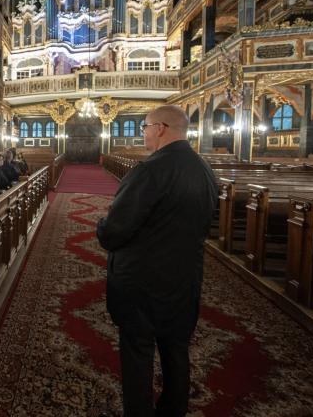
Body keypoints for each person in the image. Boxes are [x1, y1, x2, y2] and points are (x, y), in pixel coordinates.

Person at [96, 105, 218, 417]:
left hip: (143, 283)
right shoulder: (203, 170)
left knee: (138, 352)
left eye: (145, 127)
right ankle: (173, 410)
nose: (143, 133)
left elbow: (115, 231)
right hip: (184, 279)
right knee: (176, 349)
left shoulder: (150, 170)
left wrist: (102, 225)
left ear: (161, 128)